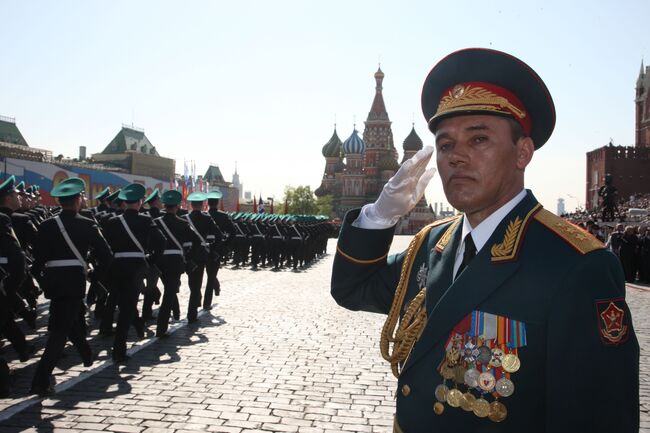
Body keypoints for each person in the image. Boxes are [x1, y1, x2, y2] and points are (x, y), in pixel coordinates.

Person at [331, 48, 639, 433]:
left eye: (478, 139)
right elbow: (352, 288)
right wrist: (380, 215)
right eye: (445, 145)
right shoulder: (432, 245)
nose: (456, 157)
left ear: (522, 152)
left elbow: (596, 418)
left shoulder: (576, 266)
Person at [30, 178, 112, 395]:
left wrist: (43, 280)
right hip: (74, 280)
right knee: (59, 332)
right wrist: (95, 277)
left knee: (66, 317)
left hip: (53, 281)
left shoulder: (46, 224)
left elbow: (37, 260)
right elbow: (105, 254)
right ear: (77, 200)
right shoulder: (87, 224)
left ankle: (85, 353)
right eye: (82, 197)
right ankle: (40, 380)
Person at [102, 183, 165, 362]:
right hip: (137, 267)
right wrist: (150, 260)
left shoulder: (113, 221)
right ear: (139, 203)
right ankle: (119, 350)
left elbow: (105, 245)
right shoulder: (145, 220)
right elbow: (161, 242)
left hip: (117, 266)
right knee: (127, 307)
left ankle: (136, 325)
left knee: (124, 304)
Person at [153, 190, 201, 337]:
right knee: (169, 293)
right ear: (178, 206)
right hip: (175, 261)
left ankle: (172, 315)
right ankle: (161, 328)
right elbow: (197, 241)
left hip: (159, 261)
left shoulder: (156, 222)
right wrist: (188, 256)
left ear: (164, 205)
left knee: (168, 290)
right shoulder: (183, 223)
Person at [184, 192, 218, 321]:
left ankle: (196, 298)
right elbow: (217, 234)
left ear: (191, 205)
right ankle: (192, 314)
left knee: (192, 282)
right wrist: (211, 246)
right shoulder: (207, 218)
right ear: (203, 205)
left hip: (188, 253)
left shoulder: (184, 217)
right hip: (201, 253)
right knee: (197, 282)